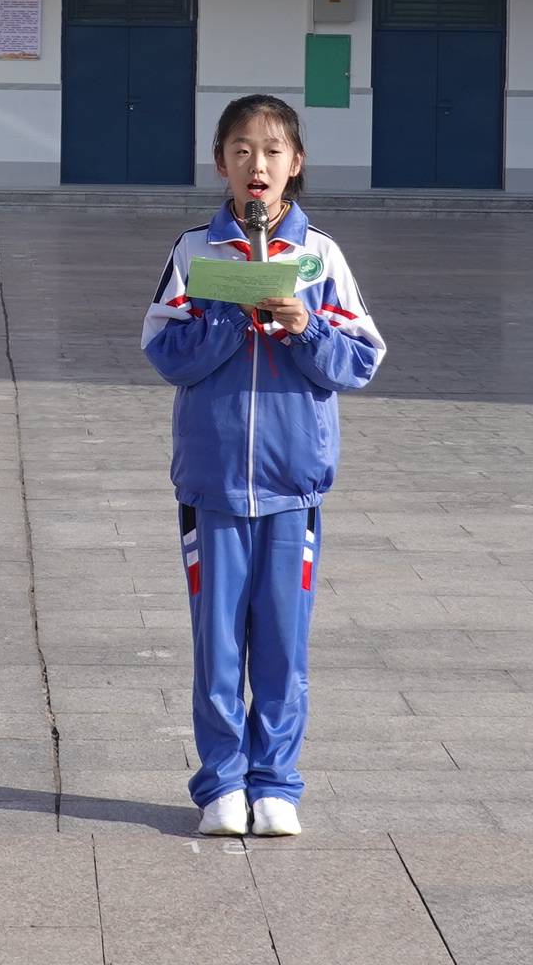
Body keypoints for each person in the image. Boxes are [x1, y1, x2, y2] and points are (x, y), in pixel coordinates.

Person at [142, 95, 385, 840]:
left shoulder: (323, 258)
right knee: (217, 647)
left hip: (292, 488)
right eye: (242, 150)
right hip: (214, 487)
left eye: (273, 150)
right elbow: (165, 352)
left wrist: (303, 326)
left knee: (283, 645)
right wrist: (227, 316)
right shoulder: (195, 252)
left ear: (296, 165)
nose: (258, 164)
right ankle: (221, 784)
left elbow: (362, 359)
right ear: (221, 163)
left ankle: (277, 783)